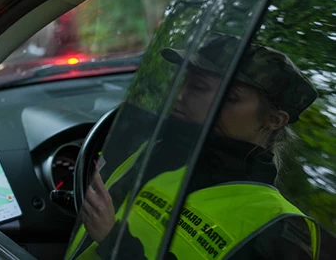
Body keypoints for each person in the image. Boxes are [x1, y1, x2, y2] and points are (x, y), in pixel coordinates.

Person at [68, 34, 327, 260]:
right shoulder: (157, 149)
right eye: (183, 82)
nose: (180, 96)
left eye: (200, 87)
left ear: (273, 120)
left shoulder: (279, 226)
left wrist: (116, 243)